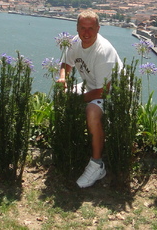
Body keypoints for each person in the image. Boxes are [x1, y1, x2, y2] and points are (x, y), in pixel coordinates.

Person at [57, 10, 123, 188]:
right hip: (93, 87)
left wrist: (77, 100)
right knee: (61, 96)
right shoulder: (75, 43)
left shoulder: (103, 52)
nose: (86, 33)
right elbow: (66, 63)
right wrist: (63, 78)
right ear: (77, 28)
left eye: (91, 29)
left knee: (92, 111)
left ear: (98, 29)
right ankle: (69, 148)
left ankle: (97, 164)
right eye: (82, 28)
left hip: (117, 94)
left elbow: (104, 91)